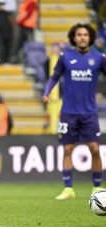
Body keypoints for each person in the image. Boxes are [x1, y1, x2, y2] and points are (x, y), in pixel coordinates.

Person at [42, 23, 105, 199]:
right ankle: (68, 189)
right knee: (68, 149)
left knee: (94, 148)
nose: (82, 37)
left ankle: (97, 188)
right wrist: (47, 92)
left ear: (90, 37)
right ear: (74, 37)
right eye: (79, 34)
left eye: (85, 34)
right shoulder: (65, 57)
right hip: (68, 112)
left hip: (89, 112)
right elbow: (54, 77)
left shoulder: (99, 58)